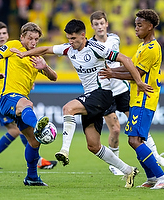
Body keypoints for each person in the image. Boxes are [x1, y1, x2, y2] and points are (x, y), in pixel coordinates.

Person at [11, 19, 153, 188]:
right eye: (68, 38)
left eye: (73, 38)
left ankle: (64, 150)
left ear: (83, 36)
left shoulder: (96, 48)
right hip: (91, 97)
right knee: (93, 146)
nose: (70, 42)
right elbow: (46, 49)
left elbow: (126, 60)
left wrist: (139, 82)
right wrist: (25, 54)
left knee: (68, 108)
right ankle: (128, 170)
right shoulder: (68, 49)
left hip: (102, 94)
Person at [89, 11, 164, 176]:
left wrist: (112, 73)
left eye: (139, 25)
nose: (135, 29)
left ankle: (160, 176)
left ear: (150, 26)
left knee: (135, 140)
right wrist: (111, 71)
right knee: (134, 138)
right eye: (135, 25)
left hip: (143, 98)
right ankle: (152, 178)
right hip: (130, 96)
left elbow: (138, 73)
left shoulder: (151, 48)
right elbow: (129, 67)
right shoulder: (142, 46)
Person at [0, 22, 57, 170]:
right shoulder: (12, 46)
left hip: (18, 99)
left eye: (36, 39)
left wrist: (44, 68)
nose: (33, 42)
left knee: (29, 137)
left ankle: (32, 175)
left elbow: (53, 77)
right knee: (24, 112)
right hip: (4, 98)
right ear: (22, 37)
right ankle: (37, 129)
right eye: (30, 38)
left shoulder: (35, 56)